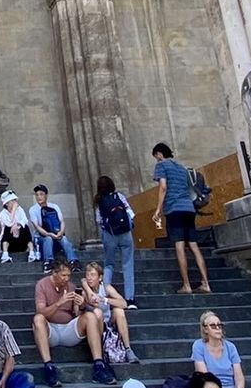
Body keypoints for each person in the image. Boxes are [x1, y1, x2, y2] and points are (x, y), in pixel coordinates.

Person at [32, 255, 112, 387]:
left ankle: (99, 364)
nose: (66, 279)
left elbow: (77, 314)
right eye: (63, 275)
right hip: (50, 330)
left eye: (69, 275)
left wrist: (81, 305)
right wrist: (59, 303)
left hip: (68, 329)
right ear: (54, 273)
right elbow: (40, 311)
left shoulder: (71, 286)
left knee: (90, 316)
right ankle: (49, 367)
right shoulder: (42, 285)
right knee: (38, 319)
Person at [148, 142, 211, 295]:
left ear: (159, 154)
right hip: (188, 208)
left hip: (174, 208)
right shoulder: (181, 168)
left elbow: (163, 187)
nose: (157, 159)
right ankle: (206, 283)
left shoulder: (161, 165)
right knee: (194, 245)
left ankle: (186, 285)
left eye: (156, 156)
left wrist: (158, 209)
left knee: (179, 245)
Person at [193, 313, 251, 388]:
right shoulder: (199, 346)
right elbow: (205, 377)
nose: (217, 328)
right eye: (213, 326)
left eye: (219, 325)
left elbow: (239, 376)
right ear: (205, 329)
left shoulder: (230, 347)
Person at [94, 174, 138, 306]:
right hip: (125, 233)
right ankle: (130, 299)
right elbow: (130, 213)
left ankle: (105, 295)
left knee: (109, 264)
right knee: (128, 265)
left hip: (110, 234)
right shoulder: (118, 196)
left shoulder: (99, 200)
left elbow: (99, 220)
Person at [81, 260, 136, 365]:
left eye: (93, 275)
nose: (89, 278)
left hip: (108, 322)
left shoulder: (106, 287)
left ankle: (128, 349)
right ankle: (100, 349)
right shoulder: (85, 291)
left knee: (119, 311)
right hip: (94, 325)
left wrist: (105, 299)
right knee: (98, 312)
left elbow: (124, 304)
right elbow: (92, 301)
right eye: (87, 275)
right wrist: (87, 287)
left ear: (100, 278)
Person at [30, 184, 77, 266]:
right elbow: (37, 227)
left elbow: (62, 221)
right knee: (48, 239)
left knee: (64, 239)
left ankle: (73, 261)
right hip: (42, 239)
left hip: (56, 235)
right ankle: (48, 262)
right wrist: (49, 234)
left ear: (46, 195)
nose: (39, 197)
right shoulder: (33, 209)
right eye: (37, 195)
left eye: (41, 194)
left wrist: (61, 232)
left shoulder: (54, 206)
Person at [0, 188, 35, 263]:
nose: (15, 202)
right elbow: (9, 223)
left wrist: (18, 224)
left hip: (21, 242)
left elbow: (25, 221)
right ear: (6, 203)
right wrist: (13, 210)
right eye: (12, 201)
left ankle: (31, 253)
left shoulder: (20, 210)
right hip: (9, 244)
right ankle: (5, 255)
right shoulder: (2, 214)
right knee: (8, 228)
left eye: (15, 200)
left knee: (25, 227)